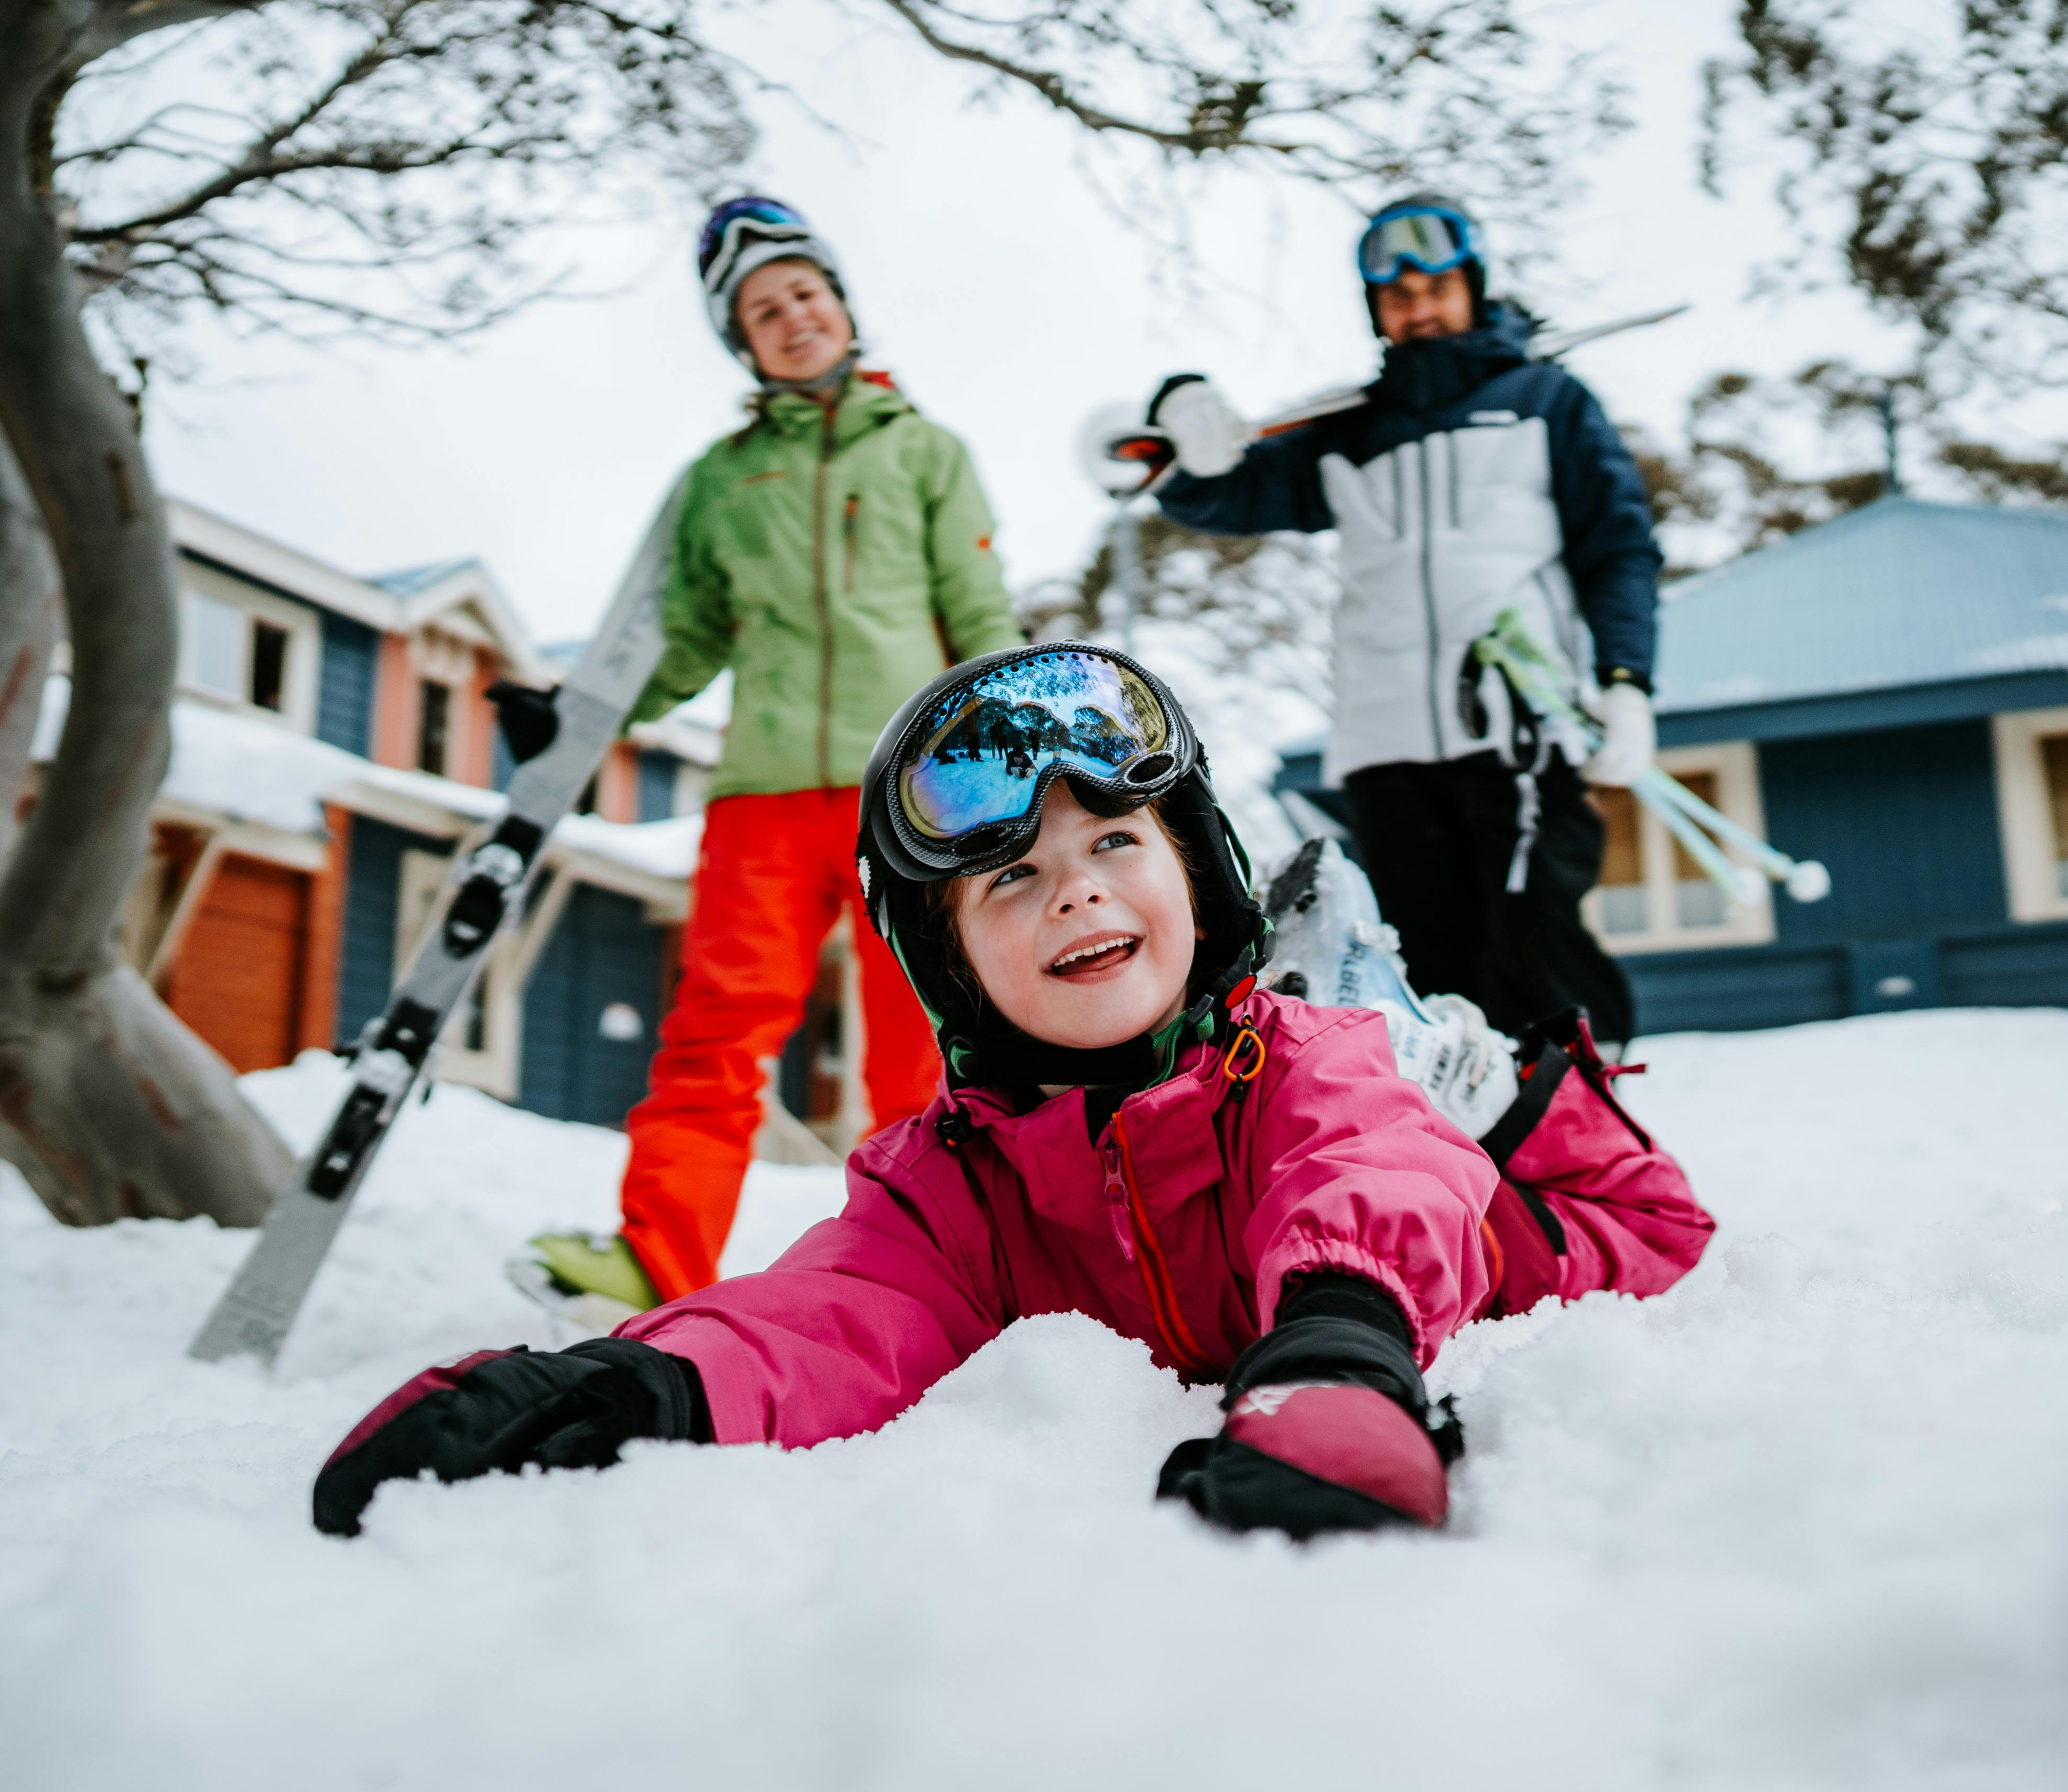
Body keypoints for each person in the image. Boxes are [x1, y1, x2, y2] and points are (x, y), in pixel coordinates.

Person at [319, 645, 1713, 1542]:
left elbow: (1361, 1178)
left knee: (1389, 1075)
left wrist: (1338, 1354)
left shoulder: (1299, 1069)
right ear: (954, 965)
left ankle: (1413, 1025)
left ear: (1194, 877)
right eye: (1012, 879)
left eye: (1115, 839)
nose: (1078, 889)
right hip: (1326, 1188)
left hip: (1538, 1201)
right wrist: (647, 1380)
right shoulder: (952, 1172)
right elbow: (845, 1306)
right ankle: (1361, 977)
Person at [515, 198, 1027, 1324]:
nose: (792, 317)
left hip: (911, 789)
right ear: (741, 341)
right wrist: (580, 717)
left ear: (842, 305)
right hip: (759, 796)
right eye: (762, 310)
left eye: (805, 293)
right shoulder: (718, 479)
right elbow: (687, 639)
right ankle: (658, 1255)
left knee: (929, 1039)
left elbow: (978, 613)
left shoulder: (926, 452)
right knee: (715, 1030)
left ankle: (953, 1258)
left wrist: (1011, 754)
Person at [1143, 196, 1663, 1042]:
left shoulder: (1548, 402)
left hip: (1516, 733)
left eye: (1436, 284)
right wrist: (1184, 418)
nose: (1418, 305)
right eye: (1396, 294)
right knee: (1425, 973)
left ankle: (1582, 1154)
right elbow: (1216, 493)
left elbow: (1620, 549)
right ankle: (1458, 1171)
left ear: (1473, 286)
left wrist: (1629, 681)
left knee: (1538, 960)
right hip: (1385, 748)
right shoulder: (1351, 432)